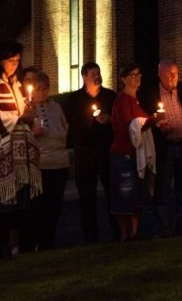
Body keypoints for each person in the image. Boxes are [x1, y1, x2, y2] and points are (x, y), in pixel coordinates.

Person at [0, 41, 40, 260]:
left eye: (18, 61)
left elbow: (21, 116)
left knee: (9, 200)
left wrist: (27, 115)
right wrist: (20, 119)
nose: (15, 64)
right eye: (11, 60)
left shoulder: (15, 86)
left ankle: (4, 244)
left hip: (13, 151)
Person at [141, 60, 182, 236]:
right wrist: (156, 124)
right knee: (163, 189)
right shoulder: (151, 95)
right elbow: (146, 120)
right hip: (165, 148)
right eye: (170, 74)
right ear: (160, 75)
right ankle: (162, 227)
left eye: (176, 73)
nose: (174, 77)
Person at [63, 62, 117, 242]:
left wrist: (109, 119)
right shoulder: (74, 100)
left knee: (112, 192)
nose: (97, 76)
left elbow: (119, 121)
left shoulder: (110, 96)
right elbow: (69, 125)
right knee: (87, 196)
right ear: (84, 76)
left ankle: (117, 231)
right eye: (93, 73)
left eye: (98, 72)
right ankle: (91, 236)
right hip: (85, 153)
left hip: (106, 151)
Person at [110, 64, 162, 241]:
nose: (136, 78)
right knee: (124, 193)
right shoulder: (123, 100)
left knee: (136, 194)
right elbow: (130, 124)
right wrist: (151, 120)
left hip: (135, 153)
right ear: (123, 79)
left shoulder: (135, 100)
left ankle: (134, 232)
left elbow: (141, 121)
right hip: (124, 153)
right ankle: (125, 234)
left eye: (138, 75)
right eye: (132, 75)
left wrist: (154, 120)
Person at [21, 71, 69, 251]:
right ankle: (32, 244)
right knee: (37, 208)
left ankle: (48, 243)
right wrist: (33, 133)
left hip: (60, 163)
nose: (42, 92)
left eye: (45, 88)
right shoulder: (28, 109)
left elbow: (64, 128)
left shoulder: (56, 107)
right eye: (38, 89)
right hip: (40, 165)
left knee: (54, 207)